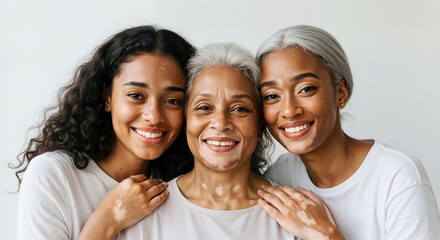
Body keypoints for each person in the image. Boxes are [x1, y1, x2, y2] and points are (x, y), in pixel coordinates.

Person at [256, 25, 440, 239]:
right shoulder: (280, 177)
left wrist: (325, 234)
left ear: (340, 93)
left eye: (305, 89)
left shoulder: (397, 176)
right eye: (271, 96)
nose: (288, 110)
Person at [13, 25, 195, 240]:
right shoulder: (53, 175)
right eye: (136, 95)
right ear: (107, 97)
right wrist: (108, 220)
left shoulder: (181, 187)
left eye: (172, 101)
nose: (154, 117)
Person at [118, 43, 305, 239]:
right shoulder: (145, 212)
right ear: (185, 122)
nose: (221, 123)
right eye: (204, 108)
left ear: (260, 126)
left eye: (239, 109)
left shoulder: (295, 213)